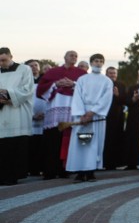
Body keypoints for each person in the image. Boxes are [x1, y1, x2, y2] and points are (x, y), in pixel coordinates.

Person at [37, 51, 87, 179]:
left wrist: (74, 84)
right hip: (55, 109)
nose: (74, 57)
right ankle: (50, 170)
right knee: (52, 141)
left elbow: (88, 89)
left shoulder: (81, 74)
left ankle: (66, 169)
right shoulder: (53, 72)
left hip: (72, 110)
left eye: (76, 56)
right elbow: (41, 88)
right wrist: (55, 84)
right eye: (71, 55)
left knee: (68, 141)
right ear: (64, 57)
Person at [65, 54, 113, 182]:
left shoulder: (107, 81)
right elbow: (77, 97)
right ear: (91, 63)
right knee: (81, 143)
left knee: (94, 144)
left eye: (101, 61)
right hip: (82, 115)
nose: (98, 63)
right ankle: (80, 171)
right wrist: (81, 113)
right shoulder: (82, 79)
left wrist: (92, 112)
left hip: (96, 115)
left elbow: (106, 98)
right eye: (96, 61)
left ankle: (91, 171)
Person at [0, 47, 35, 186]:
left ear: (11, 56)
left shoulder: (24, 69)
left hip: (18, 112)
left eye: (4, 60)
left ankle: (14, 176)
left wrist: (5, 95)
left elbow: (27, 90)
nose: (1, 63)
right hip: (2, 113)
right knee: (2, 147)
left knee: (15, 145)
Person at [123, 66, 139, 170]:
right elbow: (127, 102)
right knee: (133, 139)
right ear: (138, 75)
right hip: (134, 117)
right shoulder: (132, 88)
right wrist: (134, 98)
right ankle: (132, 163)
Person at [102, 66, 126, 170]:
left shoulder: (121, 85)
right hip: (104, 116)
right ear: (106, 74)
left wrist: (117, 95)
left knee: (116, 139)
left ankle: (114, 163)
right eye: (110, 73)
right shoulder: (102, 83)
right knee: (104, 139)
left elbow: (124, 100)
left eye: (114, 73)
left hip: (117, 116)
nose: (112, 75)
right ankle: (103, 162)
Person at [26, 60, 46, 176]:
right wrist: (32, 115)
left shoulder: (45, 81)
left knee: (42, 144)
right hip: (29, 116)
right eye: (31, 66)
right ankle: (30, 168)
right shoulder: (23, 81)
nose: (34, 67)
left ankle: (41, 167)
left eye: (36, 65)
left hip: (44, 117)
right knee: (30, 145)